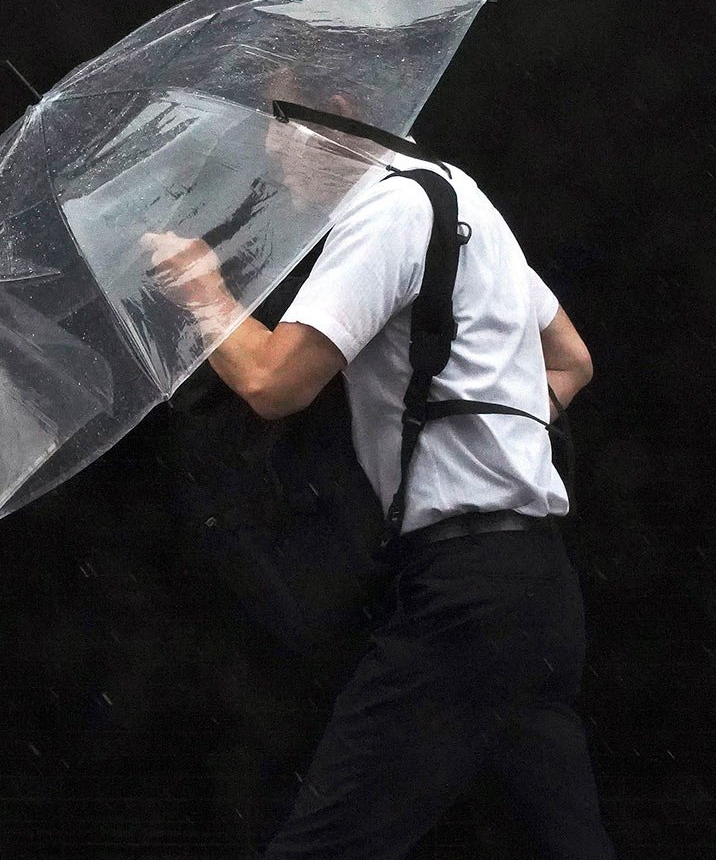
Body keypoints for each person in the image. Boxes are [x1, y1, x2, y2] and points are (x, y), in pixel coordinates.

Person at [143, 98, 615, 859]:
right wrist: (494, 437)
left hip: (460, 590)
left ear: (332, 113)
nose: (269, 148)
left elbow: (274, 382)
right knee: (559, 841)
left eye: (277, 123)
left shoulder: (386, 210)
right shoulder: (460, 196)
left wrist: (204, 291)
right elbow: (572, 359)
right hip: (537, 586)